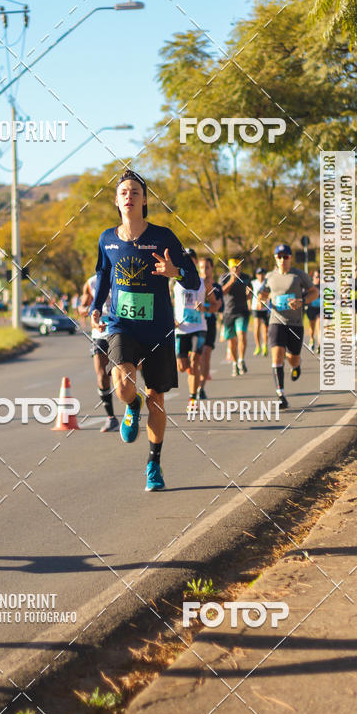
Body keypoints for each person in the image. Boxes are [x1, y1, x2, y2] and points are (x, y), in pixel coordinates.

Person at [90, 170, 200, 491]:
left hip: (159, 328)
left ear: (144, 199)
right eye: (123, 191)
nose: (129, 195)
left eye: (135, 191)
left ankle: (153, 463)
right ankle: (131, 404)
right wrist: (96, 306)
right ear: (116, 200)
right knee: (122, 383)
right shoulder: (107, 239)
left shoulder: (164, 237)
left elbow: (193, 280)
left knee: (157, 397)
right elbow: (101, 276)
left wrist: (174, 271)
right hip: (121, 323)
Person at [260, 244, 319, 409]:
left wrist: (302, 301)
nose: (282, 259)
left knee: (293, 358)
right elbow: (262, 293)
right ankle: (281, 395)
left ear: (290, 258)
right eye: (279, 256)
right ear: (275, 259)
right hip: (276, 321)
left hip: (295, 323)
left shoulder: (298, 275)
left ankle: (296, 365)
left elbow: (315, 292)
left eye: (285, 256)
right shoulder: (270, 276)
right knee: (277, 356)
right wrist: (262, 297)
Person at [79, 276, 119, 432]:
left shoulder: (121, 275)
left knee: (121, 373)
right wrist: (90, 311)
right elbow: (82, 307)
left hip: (120, 330)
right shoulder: (90, 283)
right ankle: (111, 418)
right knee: (102, 374)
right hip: (99, 333)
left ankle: (132, 404)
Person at [173, 249, 207, 408]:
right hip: (181, 328)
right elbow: (166, 301)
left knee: (194, 362)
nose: (189, 262)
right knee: (182, 367)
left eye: (191, 259)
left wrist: (203, 307)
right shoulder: (174, 281)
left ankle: (193, 398)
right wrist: (170, 319)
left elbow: (214, 305)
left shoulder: (201, 282)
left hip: (199, 327)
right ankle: (195, 377)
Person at [219, 257, 251, 376]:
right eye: (234, 267)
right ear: (229, 268)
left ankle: (241, 360)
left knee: (241, 335)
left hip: (242, 311)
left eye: (238, 267)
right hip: (228, 312)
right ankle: (235, 363)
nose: (236, 269)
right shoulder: (224, 278)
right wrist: (232, 281)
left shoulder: (246, 277)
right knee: (232, 341)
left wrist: (249, 294)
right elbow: (221, 293)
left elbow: (250, 293)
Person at [197, 256, 223, 399]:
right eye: (201, 267)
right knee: (196, 357)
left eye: (207, 267)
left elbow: (219, 307)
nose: (204, 270)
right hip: (195, 325)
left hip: (210, 325)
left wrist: (205, 308)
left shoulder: (217, 288)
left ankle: (201, 387)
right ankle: (195, 383)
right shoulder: (195, 285)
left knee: (206, 355)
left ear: (212, 268)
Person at [251, 267, 269, 356]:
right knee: (256, 326)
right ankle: (258, 346)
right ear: (256, 275)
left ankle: (264, 346)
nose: (261, 276)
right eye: (259, 274)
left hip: (265, 308)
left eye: (262, 274)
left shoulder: (267, 282)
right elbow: (249, 294)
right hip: (256, 307)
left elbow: (269, 294)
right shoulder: (253, 283)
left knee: (265, 328)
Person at [306, 269, 321, 352]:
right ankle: (312, 339)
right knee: (312, 327)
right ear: (313, 277)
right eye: (317, 277)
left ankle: (319, 344)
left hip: (320, 309)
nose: (318, 279)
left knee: (319, 323)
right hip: (311, 309)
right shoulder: (310, 287)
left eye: (320, 277)